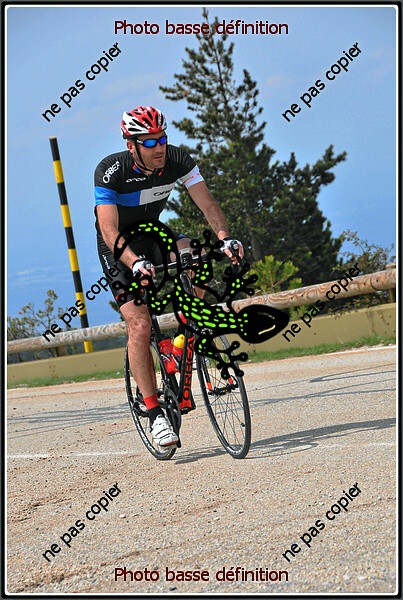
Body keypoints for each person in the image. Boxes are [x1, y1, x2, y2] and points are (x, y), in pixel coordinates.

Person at [94, 105, 243, 447]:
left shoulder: (176, 159)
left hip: (154, 234)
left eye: (161, 138)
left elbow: (208, 204)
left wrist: (225, 239)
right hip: (118, 248)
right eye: (149, 142)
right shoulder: (111, 171)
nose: (159, 147)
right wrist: (133, 262)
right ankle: (154, 413)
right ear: (131, 145)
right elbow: (108, 229)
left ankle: (181, 340)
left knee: (196, 254)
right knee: (139, 324)